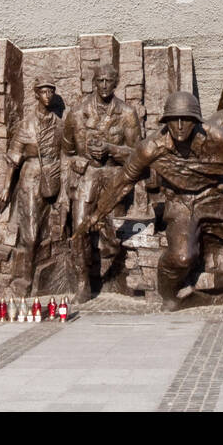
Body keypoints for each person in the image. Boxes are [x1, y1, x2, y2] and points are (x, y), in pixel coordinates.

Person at [84, 91, 223, 311]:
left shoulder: (219, 138)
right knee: (182, 257)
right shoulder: (151, 146)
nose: (180, 125)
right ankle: (169, 296)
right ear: (166, 121)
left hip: (216, 198)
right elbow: (123, 181)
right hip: (181, 203)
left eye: (187, 120)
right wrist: (97, 214)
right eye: (174, 120)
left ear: (197, 121)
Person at [61, 64, 142, 300]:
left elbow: (138, 152)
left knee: (114, 234)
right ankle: (82, 282)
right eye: (100, 81)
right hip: (87, 175)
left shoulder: (127, 113)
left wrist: (111, 149)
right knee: (79, 229)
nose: (104, 85)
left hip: (113, 176)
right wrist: (74, 161)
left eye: (109, 81)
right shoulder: (77, 113)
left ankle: (115, 275)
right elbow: (65, 151)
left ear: (116, 83)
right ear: (93, 83)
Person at [0, 78, 63, 293]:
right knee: (30, 233)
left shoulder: (59, 125)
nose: (47, 96)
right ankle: (21, 283)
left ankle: (44, 280)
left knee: (52, 231)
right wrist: (6, 188)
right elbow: (14, 158)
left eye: (50, 92)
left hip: (53, 179)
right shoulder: (27, 124)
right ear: (36, 94)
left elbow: (65, 154)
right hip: (30, 180)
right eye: (43, 92)